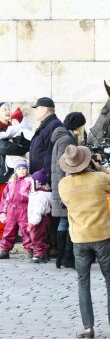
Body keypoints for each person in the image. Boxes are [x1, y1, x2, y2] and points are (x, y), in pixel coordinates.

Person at [58, 145, 110, 339]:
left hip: (79, 237)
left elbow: (65, 202)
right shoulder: (99, 178)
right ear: (87, 161)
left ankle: (88, 327)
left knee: (83, 282)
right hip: (102, 235)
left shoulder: (64, 184)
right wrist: (101, 168)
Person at [51, 112, 86, 269]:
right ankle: (66, 258)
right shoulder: (66, 139)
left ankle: (62, 258)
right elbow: (65, 167)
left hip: (61, 186)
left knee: (65, 221)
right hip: (65, 188)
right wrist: (69, 190)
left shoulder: (63, 137)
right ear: (78, 125)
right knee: (67, 222)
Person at [29, 97, 63, 253]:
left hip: (45, 179)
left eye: (37, 108)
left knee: (50, 214)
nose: (36, 111)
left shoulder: (53, 125)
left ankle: (53, 245)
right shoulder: (47, 125)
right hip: (40, 178)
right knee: (44, 213)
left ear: (45, 109)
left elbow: (51, 154)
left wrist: (47, 178)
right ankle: (48, 244)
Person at [0, 103, 30, 238]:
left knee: (12, 203)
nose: (8, 111)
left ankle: (10, 231)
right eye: (4, 109)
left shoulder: (13, 128)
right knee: (3, 203)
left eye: (8, 109)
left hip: (13, 172)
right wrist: (23, 149)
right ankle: (2, 234)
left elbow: (27, 142)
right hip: (2, 172)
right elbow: (5, 148)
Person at [0, 158, 33, 259]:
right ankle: (5, 249)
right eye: (19, 169)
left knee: (26, 230)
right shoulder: (11, 184)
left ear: (27, 170)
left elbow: (34, 196)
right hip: (11, 210)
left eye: (24, 168)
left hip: (24, 209)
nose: (22, 170)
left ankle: (30, 249)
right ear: (15, 171)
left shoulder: (30, 182)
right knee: (9, 230)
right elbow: (5, 199)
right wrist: (3, 212)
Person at [27, 169, 52, 263]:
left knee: (37, 238)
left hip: (38, 221)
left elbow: (37, 211)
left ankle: (39, 254)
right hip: (44, 219)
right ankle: (45, 253)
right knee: (44, 237)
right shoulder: (43, 194)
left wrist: (32, 223)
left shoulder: (39, 196)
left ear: (37, 184)